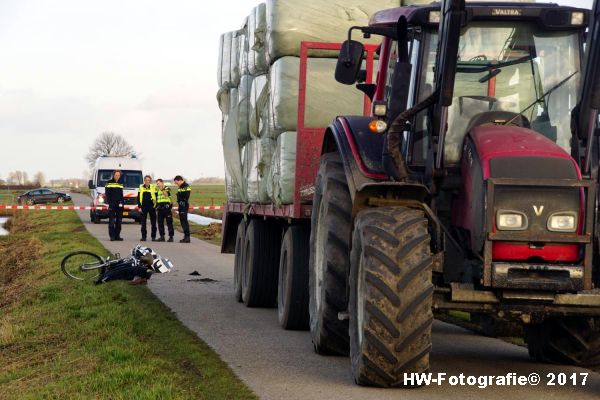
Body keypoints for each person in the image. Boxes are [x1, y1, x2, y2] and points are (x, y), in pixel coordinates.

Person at [105, 170, 124, 241]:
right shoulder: (108, 183)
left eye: (118, 175)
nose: (117, 176)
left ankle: (117, 236)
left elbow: (121, 194)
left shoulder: (121, 183)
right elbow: (107, 195)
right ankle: (112, 236)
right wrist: (110, 204)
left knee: (119, 222)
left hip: (120, 205)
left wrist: (122, 203)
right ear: (113, 175)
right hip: (112, 205)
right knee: (111, 221)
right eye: (116, 175)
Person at [138, 175, 157, 241]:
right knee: (143, 223)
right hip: (143, 207)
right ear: (144, 180)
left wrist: (155, 205)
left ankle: (153, 237)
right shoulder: (141, 187)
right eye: (146, 180)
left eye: (148, 180)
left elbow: (156, 197)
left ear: (150, 181)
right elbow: (138, 197)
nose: (147, 181)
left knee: (153, 223)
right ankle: (143, 237)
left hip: (152, 207)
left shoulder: (153, 187)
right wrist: (139, 206)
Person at [174, 175, 191, 243]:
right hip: (180, 205)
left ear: (180, 180)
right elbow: (179, 196)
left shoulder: (186, 186)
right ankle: (185, 236)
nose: (176, 184)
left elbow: (186, 196)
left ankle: (187, 237)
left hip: (184, 205)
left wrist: (179, 195)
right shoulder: (180, 187)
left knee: (184, 221)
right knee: (182, 221)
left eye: (176, 182)